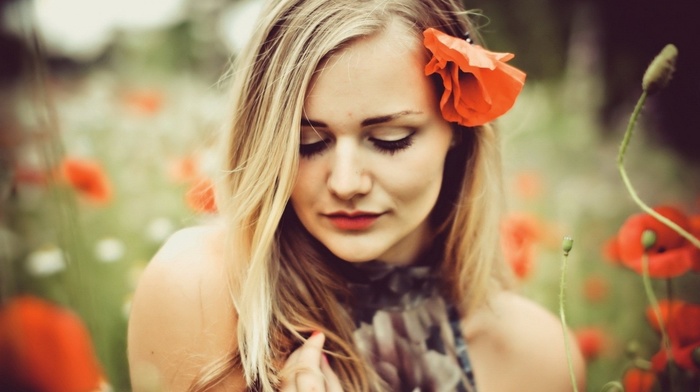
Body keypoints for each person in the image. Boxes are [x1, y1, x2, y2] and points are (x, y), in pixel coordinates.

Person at [127, 0, 586, 390]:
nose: (346, 183)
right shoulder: (205, 292)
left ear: (458, 133)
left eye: (390, 139)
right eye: (307, 143)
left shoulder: (539, 358)